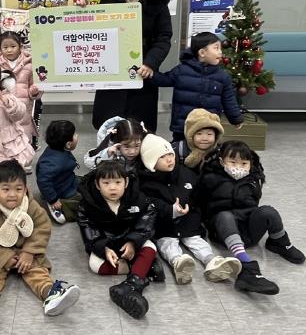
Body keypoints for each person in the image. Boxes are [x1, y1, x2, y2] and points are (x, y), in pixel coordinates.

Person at [0, 160, 80, 330]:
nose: (12, 195)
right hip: (0, 255)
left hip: (26, 252)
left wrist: (29, 252)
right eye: (6, 189)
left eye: (18, 189)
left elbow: (42, 227)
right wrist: (5, 258)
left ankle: (51, 294)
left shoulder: (31, 206)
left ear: (26, 189)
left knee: (37, 271)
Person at [198, 140, 306, 295]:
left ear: (250, 163)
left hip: (248, 229)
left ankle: (279, 243)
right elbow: (199, 202)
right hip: (223, 230)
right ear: (222, 162)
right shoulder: (210, 178)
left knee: (268, 211)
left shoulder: (254, 179)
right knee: (225, 216)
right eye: (232, 162)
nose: (238, 167)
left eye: (244, 163)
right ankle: (246, 265)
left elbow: (255, 202)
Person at [138, 134, 241, 285]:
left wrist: (190, 207)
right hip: (165, 226)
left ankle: (213, 262)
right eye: (162, 157)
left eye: (170, 154)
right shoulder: (145, 183)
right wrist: (171, 211)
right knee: (168, 244)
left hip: (189, 222)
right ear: (151, 162)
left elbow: (197, 195)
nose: (169, 159)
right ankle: (178, 263)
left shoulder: (186, 173)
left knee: (197, 242)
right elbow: (151, 204)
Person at [92, 0, 174, 133]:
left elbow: (164, 37)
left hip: (142, 72)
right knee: (109, 123)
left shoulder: (157, 0)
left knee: (140, 126)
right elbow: (97, 30)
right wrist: (84, 10)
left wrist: (150, 63)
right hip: (112, 71)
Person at [77, 161, 162, 319]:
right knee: (95, 265)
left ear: (126, 182)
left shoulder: (138, 198)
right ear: (97, 184)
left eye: (117, 182)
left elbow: (147, 221)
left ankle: (130, 285)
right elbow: (88, 229)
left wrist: (133, 242)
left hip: (129, 239)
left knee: (150, 246)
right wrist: (103, 248)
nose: (112, 188)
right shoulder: (88, 204)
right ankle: (143, 268)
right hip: (107, 242)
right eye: (106, 183)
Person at [146, 32, 243, 142]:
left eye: (220, 48)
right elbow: (164, 79)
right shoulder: (182, 70)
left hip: (208, 126)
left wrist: (236, 118)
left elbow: (229, 99)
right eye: (216, 48)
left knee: (206, 149)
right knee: (180, 148)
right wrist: (149, 74)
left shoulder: (223, 76)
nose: (220, 52)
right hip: (183, 125)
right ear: (202, 53)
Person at [0, 31, 42, 147]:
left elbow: (36, 86)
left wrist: (33, 92)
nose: (9, 50)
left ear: (20, 47)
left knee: (24, 140)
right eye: (5, 47)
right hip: (3, 109)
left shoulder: (30, 65)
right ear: (0, 48)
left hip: (24, 109)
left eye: (13, 46)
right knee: (6, 141)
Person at [35, 120, 81, 224]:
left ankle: (49, 196)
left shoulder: (56, 148)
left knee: (86, 184)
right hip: (61, 190)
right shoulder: (52, 163)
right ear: (68, 144)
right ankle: (57, 207)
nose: (77, 136)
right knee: (83, 202)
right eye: (74, 134)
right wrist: (53, 199)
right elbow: (43, 180)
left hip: (66, 179)